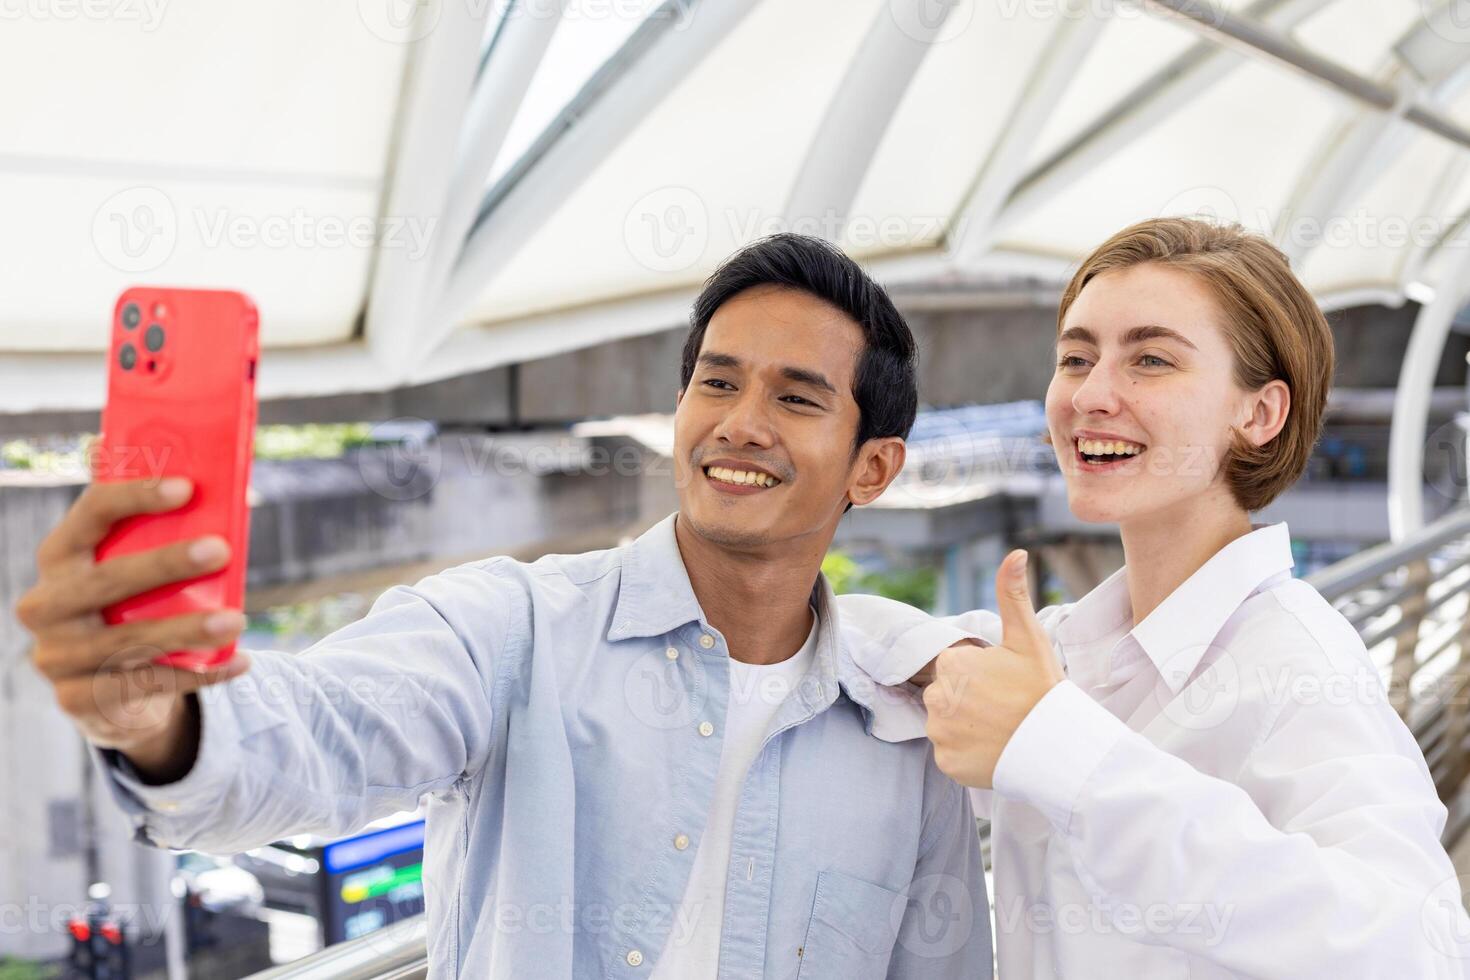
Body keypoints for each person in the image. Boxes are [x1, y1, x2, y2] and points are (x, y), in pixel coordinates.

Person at [16, 234, 991, 979]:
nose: (739, 422)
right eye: (718, 381)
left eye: (797, 398)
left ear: (874, 465)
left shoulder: (906, 729)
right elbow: (322, 730)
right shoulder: (513, 628)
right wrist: (166, 719)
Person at [841, 216, 1470, 978]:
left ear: (1259, 414)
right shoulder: (1068, 645)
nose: (1092, 393)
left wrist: (1058, 749)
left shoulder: (1296, 665)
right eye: (1076, 357)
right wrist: (946, 662)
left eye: (1151, 360)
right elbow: (844, 629)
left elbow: (1420, 950)